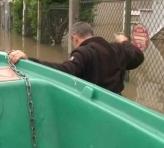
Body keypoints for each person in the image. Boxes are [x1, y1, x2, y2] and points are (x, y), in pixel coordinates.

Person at [8, 22, 145, 95]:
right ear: (92, 34)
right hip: (117, 101)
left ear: (74, 38)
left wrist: (30, 61)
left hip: (95, 104)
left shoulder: (84, 52)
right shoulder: (117, 48)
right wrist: (124, 42)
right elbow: (138, 56)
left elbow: (65, 70)